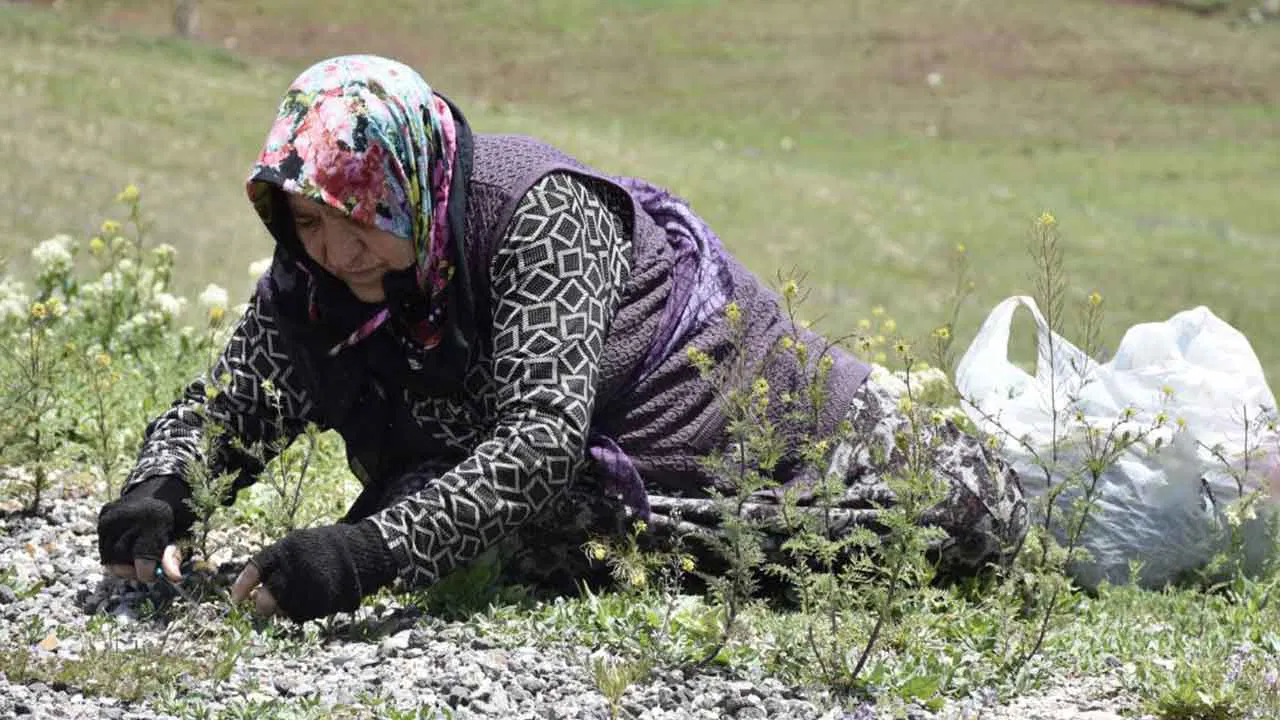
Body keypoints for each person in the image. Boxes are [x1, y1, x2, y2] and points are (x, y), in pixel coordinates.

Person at [96, 55, 1027, 623]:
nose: (334, 250)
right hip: (592, 492)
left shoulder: (539, 214)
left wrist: (360, 556)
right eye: (306, 222)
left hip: (793, 444)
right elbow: (239, 399)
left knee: (973, 515)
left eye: (359, 216)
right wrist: (162, 489)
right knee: (520, 535)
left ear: (413, 185)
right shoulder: (320, 273)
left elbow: (537, 447)